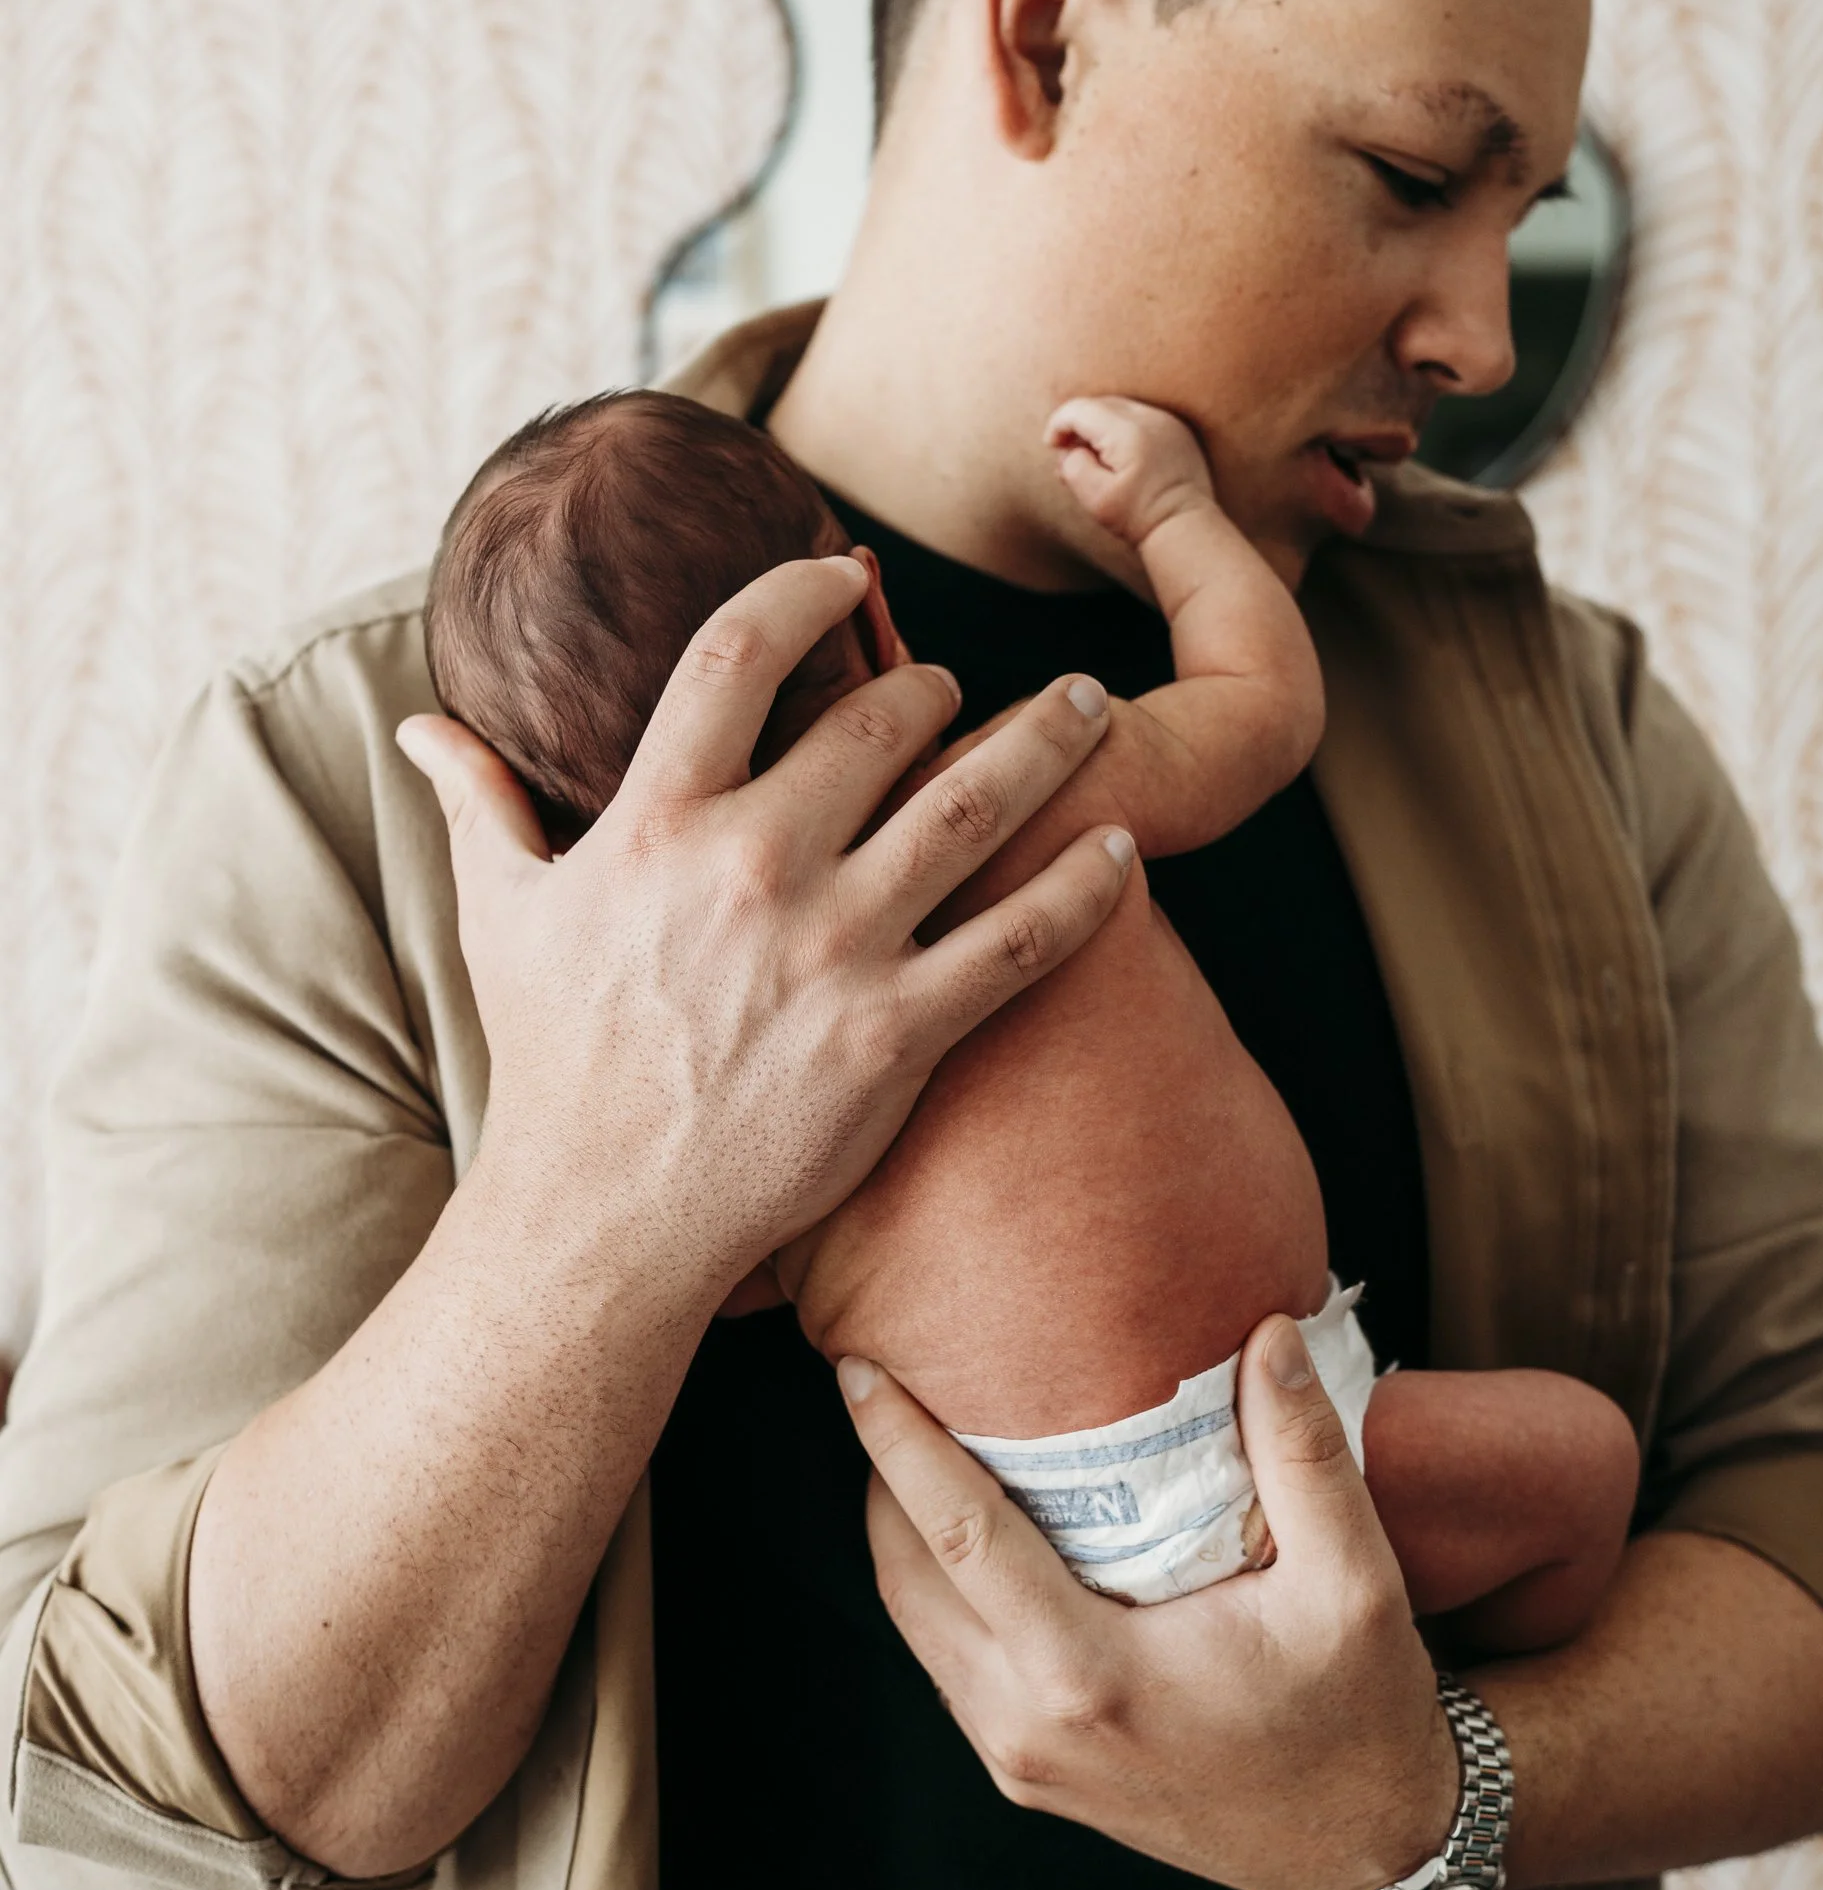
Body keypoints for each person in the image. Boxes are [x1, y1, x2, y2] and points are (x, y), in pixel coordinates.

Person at [1, 0, 1823, 1890]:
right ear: (1043, 25)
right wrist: (612, 1192)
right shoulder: (370, 788)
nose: (1468, 326)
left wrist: (1430, 1798)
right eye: (1415, 177)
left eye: (1528, 214)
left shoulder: (1572, 740)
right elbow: (132, 1858)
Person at [424, 377, 1642, 1635]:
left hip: (1021, 1533)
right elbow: (1261, 705)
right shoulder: (1010, 790)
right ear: (874, 608)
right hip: (1275, 1451)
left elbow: (725, 1286)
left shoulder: (691, 1036)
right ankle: (1431, 1720)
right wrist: (1171, 512)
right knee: (1588, 1468)